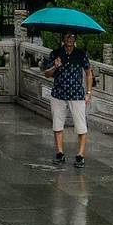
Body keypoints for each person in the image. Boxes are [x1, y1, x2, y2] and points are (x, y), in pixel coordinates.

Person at [42, 31, 93, 168]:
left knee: (81, 126)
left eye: (72, 36)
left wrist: (88, 92)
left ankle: (80, 155)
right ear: (63, 38)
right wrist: (55, 66)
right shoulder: (55, 53)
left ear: (75, 38)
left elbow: (89, 73)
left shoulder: (81, 54)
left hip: (76, 94)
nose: (69, 39)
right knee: (57, 124)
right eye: (66, 36)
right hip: (58, 94)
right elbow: (46, 74)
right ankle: (59, 153)